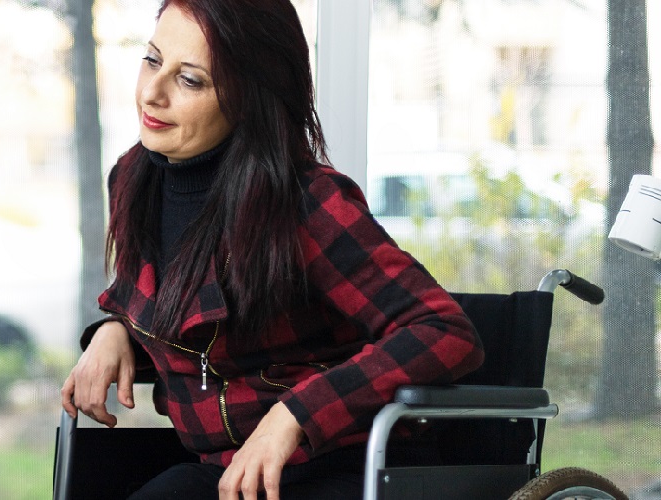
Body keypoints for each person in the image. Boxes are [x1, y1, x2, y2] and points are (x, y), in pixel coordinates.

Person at [59, 1, 484, 498]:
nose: (151, 94)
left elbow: (446, 332)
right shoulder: (133, 180)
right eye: (152, 60)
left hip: (345, 461)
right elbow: (183, 316)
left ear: (249, 96)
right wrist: (115, 331)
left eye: (190, 80)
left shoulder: (306, 203)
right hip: (228, 469)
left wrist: (294, 416)